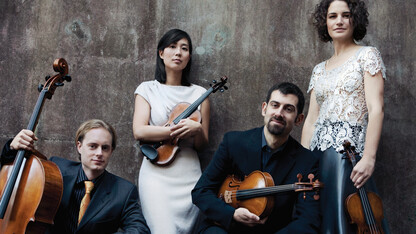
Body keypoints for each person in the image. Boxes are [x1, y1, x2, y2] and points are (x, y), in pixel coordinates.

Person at [301, 0, 389, 233]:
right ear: (325, 22)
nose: (339, 21)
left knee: (345, 219)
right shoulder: (319, 69)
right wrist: (303, 162)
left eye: (345, 15)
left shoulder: (367, 55)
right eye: (332, 16)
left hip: (347, 157)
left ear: (354, 19)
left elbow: (376, 108)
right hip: (318, 157)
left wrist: (369, 157)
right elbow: (311, 120)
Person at [192, 82, 320, 233]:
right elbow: (201, 191)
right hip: (227, 228)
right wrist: (231, 214)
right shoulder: (233, 142)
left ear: (299, 119)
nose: (279, 113)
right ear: (264, 109)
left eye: (288, 109)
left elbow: (308, 221)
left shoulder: (307, 162)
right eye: (275, 105)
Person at [1, 119, 150, 234]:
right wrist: (12, 148)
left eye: (105, 148)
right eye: (93, 146)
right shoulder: (54, 171)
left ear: (111, 151)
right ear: (79, 146)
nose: (99, 153)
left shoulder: (124, 191)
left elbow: (140, 230)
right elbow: (13, 172)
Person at [132, 29, 210, 234]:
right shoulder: (147, 89)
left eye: (184, 49)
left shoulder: (200, 93)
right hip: (156, 171)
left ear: (189, 56)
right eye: (172, 47)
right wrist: (174, 131)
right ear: (161, 53)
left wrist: (198, 129)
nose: (178, 53)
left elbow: (203, 144)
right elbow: (139, 131)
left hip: (189, 173)